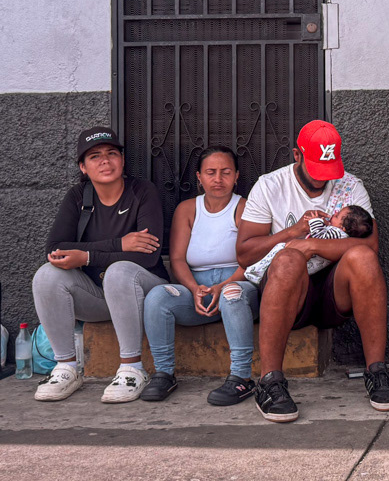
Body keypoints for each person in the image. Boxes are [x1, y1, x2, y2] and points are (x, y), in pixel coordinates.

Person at [236, 120, 389, 422]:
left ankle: (377, 371)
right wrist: (291, 234)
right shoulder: (270, 185)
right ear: (297, 155)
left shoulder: (351, 186)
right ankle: (270, 382)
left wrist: (312, 245)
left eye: (329, 170)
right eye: (316, 170)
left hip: (333, 293)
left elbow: (370, 245)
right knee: (288, 260)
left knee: (363, 257)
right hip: (287, 292)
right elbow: (245, 253)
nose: (324, 179)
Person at [31, 127, 167, 403]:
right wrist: (119, 245)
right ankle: (66, 368)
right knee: (47, 275)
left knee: (119, 271)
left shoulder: (142, 192)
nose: (105, 161)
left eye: (111, 153)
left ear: (122, 160)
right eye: (95, 156)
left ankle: (132, 369)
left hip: (146, 293)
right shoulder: (78, 196)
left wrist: (86, 256)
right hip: (98, 297)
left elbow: (148, 256)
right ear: (83, 167)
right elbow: (55, 250)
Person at [141, 145, 261, 405]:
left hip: (238, 287)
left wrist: (224, 285)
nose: (218, 179)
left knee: (231, 294)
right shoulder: (187, 209)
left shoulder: (245, 207)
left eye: (226, 172)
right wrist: (194, 288)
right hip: (198, 291)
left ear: (236, 176)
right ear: (199, 177)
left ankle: (241, 377)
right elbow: (177, 259)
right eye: (210, 172)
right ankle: (163, 374)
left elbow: (253, 259)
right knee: (157, 297)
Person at [244, 205, 375, 285]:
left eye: (337, 215)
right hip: (309, 264)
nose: (334, 213)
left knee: (278, 252)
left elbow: (318, 238)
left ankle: (256, 274)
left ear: (343, 228)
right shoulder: (339, 235)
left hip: (309, 263)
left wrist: (315, 221)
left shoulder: (337, 234)